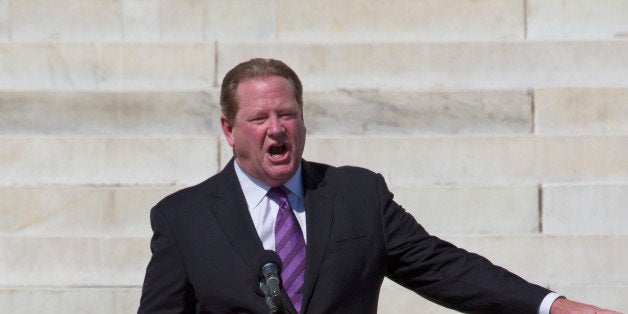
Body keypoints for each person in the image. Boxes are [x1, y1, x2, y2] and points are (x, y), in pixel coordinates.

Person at [138, 58, 618, 313]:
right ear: (228, 130)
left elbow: (445, 269)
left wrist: (552, 307)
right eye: (259, 117)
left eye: (287, 114)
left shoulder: (356, 196)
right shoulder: (185, 218)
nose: (276, 129)